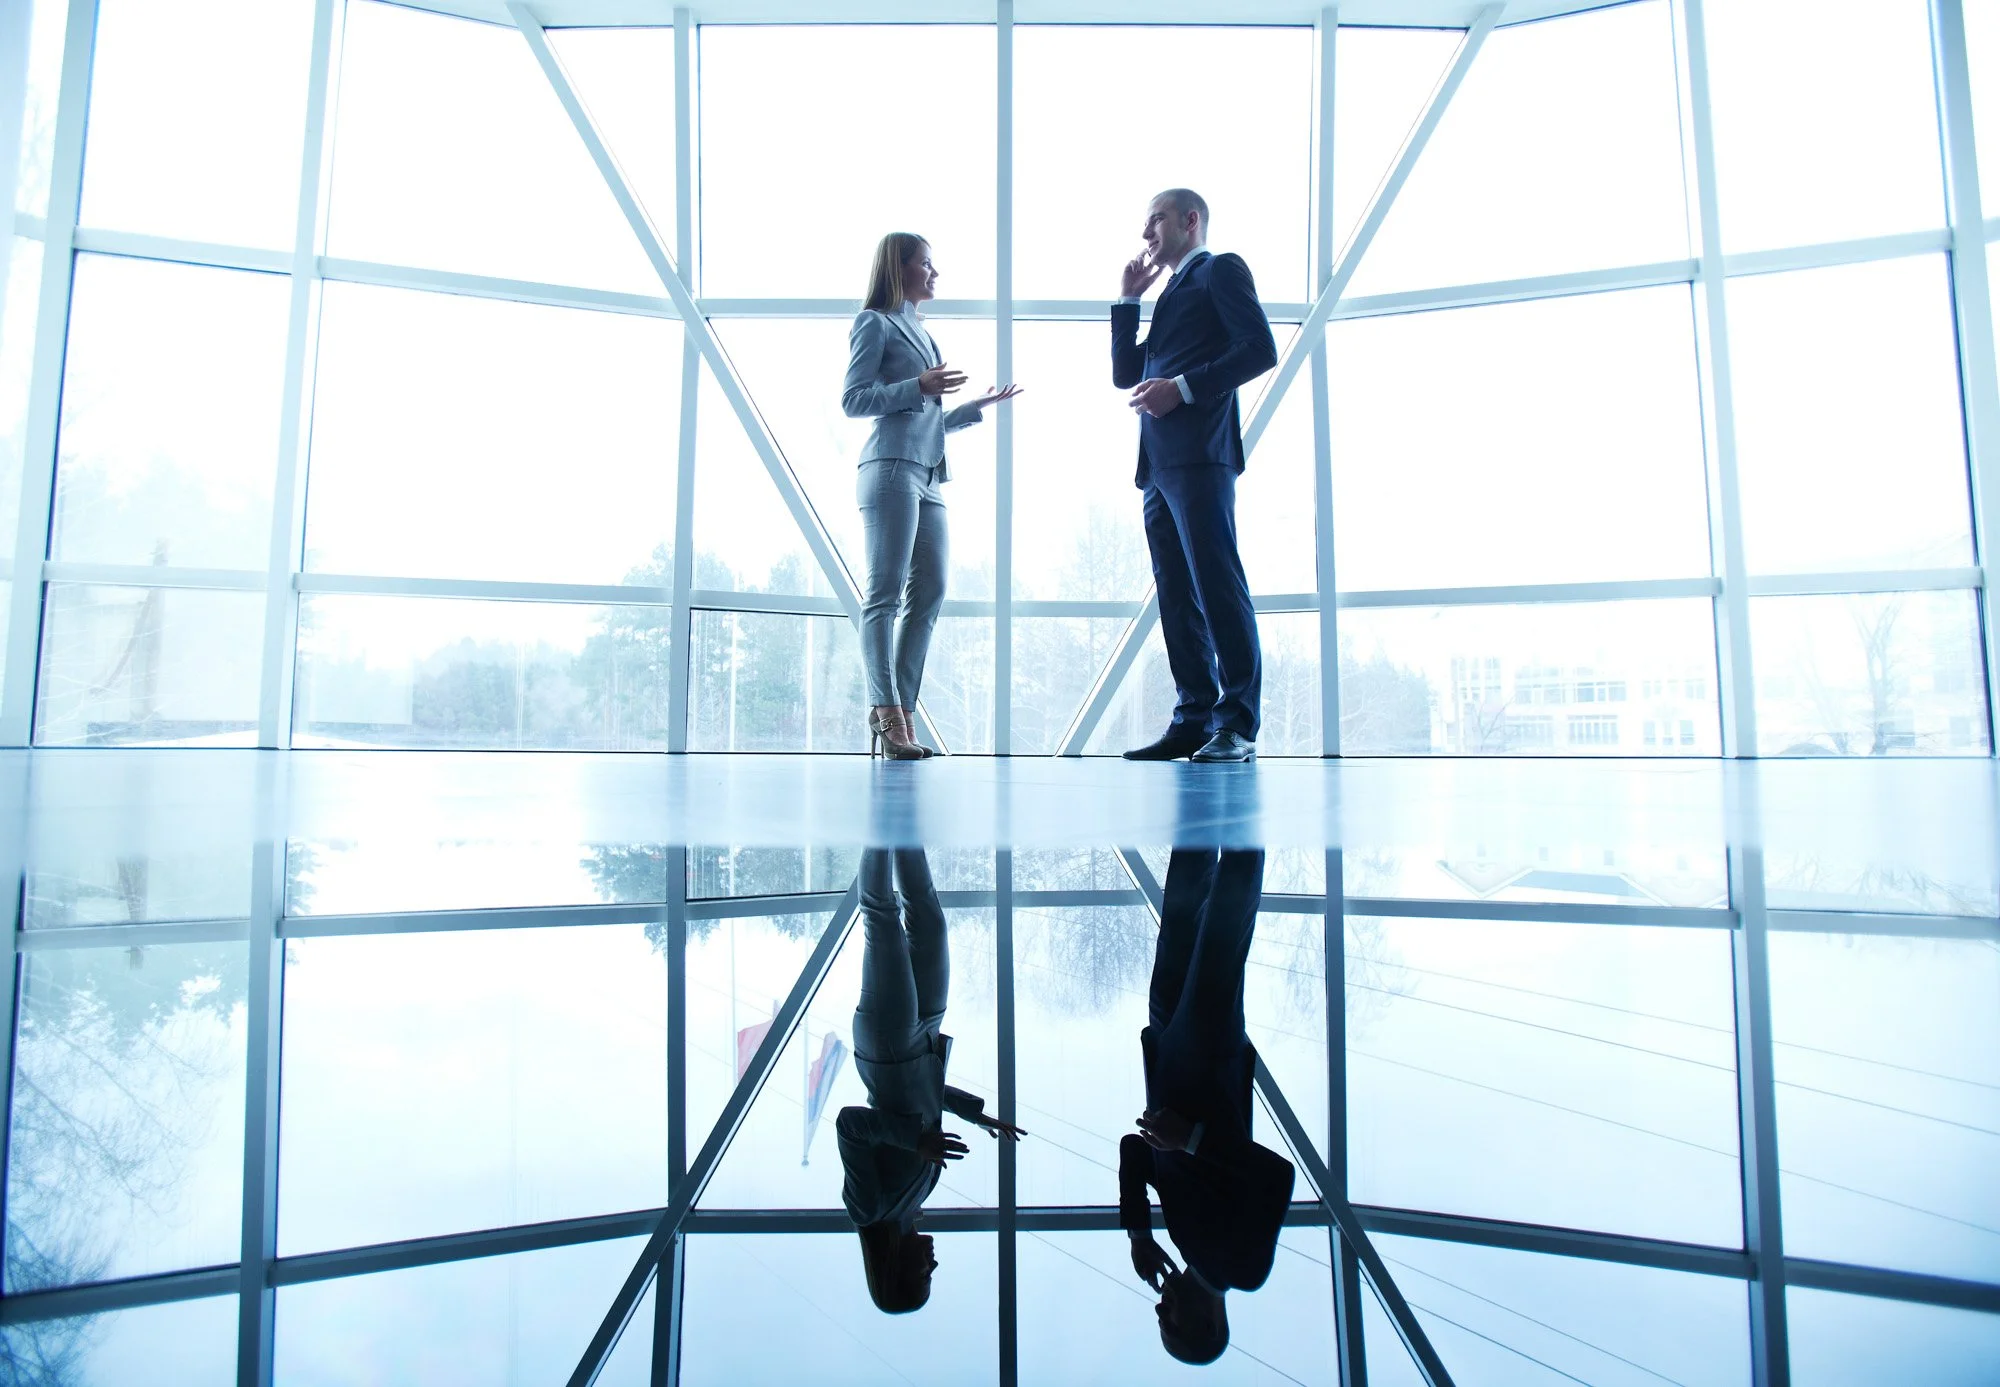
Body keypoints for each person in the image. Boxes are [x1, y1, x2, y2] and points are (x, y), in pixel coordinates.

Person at [1112, 190, 1277, 763]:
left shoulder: (1219, 271)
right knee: (1178, 597)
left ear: (1190, 220)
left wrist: (1178, 388)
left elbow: (1259, 350)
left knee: (1216, 586)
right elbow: (1124, 374)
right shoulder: (1169, 293)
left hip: (1200, 458)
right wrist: (1129, 299)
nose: (1146, 232)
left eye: (1154, 218)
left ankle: (1237, 725)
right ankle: (1193, 719)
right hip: (1157, 465)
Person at [844, 233, 1022, 759]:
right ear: (899, 268)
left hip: (927, 474)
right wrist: (917, 387)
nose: (935, 273)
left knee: (932, 591)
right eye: (926, 263)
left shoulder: (923, 332)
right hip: (890, 469)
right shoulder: (874, 322)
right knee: (884, 594)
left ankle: (901, 708)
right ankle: (887, 714)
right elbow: (854, 399)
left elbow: (930, 419)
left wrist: (975, 406)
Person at [1121, 848, 1294, 1365]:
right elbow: (1275, 1178)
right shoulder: (1243, 1270)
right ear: (1202, 1325)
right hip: (1206, 1061)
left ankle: (1199, 791)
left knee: (1181, 916)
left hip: (1171, 1051)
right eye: (1168, 1324)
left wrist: (1138, 1233)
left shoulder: (1182, 1237)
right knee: (1222, 927)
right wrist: (1189, 1139)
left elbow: (1135, 1149)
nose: (1159, 1310)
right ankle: (1240, 793)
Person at [839, 848, 1026, 1312]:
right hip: (922, 1043)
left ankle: (881, 820)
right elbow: (923, 1103)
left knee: (882, 919)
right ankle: (904, 814)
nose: (933, 1266)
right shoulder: (919, 1196)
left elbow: (850, 1125)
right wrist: (976, 1115)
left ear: (895, 1270)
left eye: (923, 1275)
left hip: (888, 1047)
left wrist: (916, 1142)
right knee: (929, 922)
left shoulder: (869, 1210)